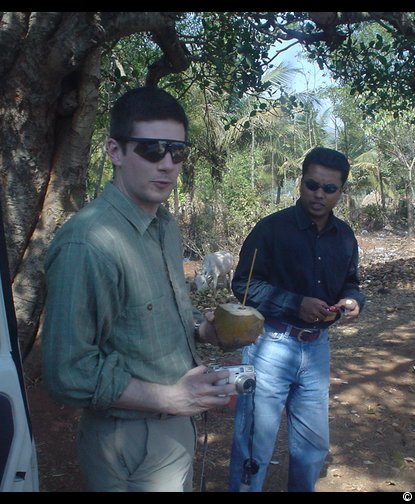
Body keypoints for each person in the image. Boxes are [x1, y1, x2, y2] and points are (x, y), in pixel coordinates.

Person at [41, 86, 236, 492]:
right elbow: (67, 372)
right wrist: (172, 398)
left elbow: (157, 313)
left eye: (177, 152)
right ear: (115, 150)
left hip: (173, 426)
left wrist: (204, 330)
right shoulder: (88, 243)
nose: (167, 164)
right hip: (130, 438)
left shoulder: (164, 226)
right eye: (151, 149)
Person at [227, 146, 365, 492]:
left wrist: (353, 300)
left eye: (329, 188)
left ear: (340, 191)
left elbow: (351, 281)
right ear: (300, 183)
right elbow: (243, 285)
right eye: (312, 185)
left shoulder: (345, 236)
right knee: (254, 444)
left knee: (312, 445)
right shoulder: (271, 230)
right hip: (270, 346)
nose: (319, 194)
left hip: (317, 350)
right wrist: (295, 304)